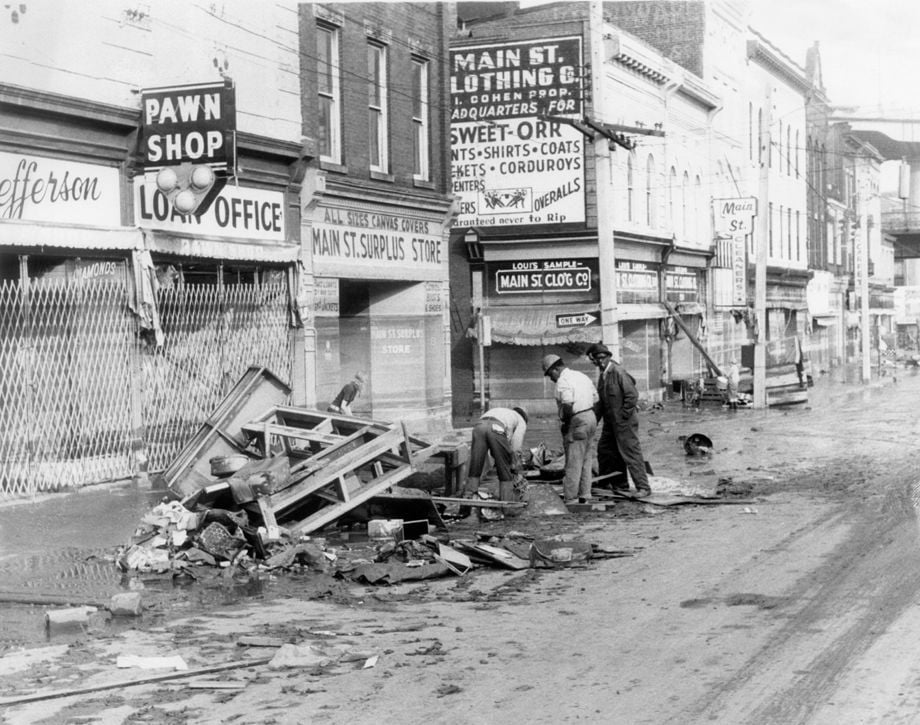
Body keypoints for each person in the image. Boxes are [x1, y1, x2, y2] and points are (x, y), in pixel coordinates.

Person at [586, 343, 651, 497]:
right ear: (594, 361)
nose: (600, 361)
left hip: (624, 421)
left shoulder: (618, 372)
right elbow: (601, 402)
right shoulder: (603, 375)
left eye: (603, 358)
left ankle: (644, 488)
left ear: (609, 357)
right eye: (597, 359)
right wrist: (593, 421)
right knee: (605, 450)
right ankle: (618, 485)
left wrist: (623, 416)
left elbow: (632, 396)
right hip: (610, 423)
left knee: (630, 453)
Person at [542, 353, 599, 504]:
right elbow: (596, 398)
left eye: (550, 375)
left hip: (577, 419)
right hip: (590, 417)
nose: (551, 379)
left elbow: (567, 404)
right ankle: (585, 494)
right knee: (586, 460)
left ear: (555, 370)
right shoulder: (581, 376)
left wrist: (567, 425)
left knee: (573, 461)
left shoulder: (563, 381)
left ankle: (571, 497)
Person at [462, 406, 528, 504]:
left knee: (475, 465)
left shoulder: (504, 412)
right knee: (505, 470)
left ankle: (467, 501)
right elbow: (516, 446)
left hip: (479, 426)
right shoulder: (521, 420)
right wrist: (515, 464)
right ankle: (507, 502)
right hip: (496, 428)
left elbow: (495, 450)